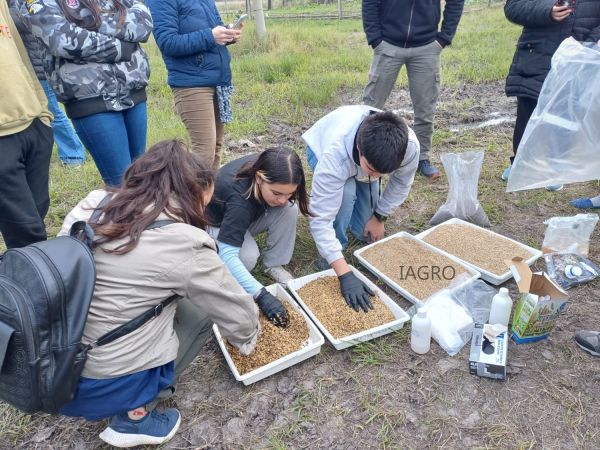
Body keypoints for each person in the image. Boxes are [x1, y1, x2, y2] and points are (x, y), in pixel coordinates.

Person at [57, 140, 260, 448]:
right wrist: (248, 339)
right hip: (98, 385)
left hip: (55, 363)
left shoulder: (94, 202)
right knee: (201, 311)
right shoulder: (184, 241)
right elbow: (236, 311)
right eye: (204, 202)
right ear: (194, 195)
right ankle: (135, 415)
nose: (204, 210)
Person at [19, 0, 153, 186]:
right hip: (90, 101)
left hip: (134, 92)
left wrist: (86, 23)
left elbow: (143, 20)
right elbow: (60, 39)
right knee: (121, 186)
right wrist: (121, 45)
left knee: (142, 177)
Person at [303, 106, 419, 313]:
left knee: (364, 232)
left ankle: (362, 184)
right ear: (359, 147)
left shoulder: (409, 146)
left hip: (361, 160)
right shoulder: (334, 158)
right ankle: (332, 250)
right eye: (373, 170)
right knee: (345, 195)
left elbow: (401, 184)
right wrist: (344, 273)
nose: (376, 177)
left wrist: (379, 216)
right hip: (321, 146)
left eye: (384, 173)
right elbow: (320, 218)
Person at [206, 147, 312, 325]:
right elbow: (228, 253)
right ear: (258, 177)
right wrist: (260, 294)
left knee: (289, 209)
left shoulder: (275, 166)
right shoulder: (239, 200)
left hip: (246, 216)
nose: (282, 200)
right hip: (215, 223)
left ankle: (273, 264)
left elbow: (283, 200)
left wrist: (281, 196)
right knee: (246, 257)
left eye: (289, 193)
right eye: (276, 193)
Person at [503, 0, 600, 193]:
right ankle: (521, 163)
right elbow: (513, 6)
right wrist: (547, 11)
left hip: (580, 54)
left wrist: (591, 41)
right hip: (537, 51)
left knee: (568, 111)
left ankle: (553, 168)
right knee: (528, 107)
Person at [361, 0, 464, 179]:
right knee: (372, 106)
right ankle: (363, 154)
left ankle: (421, 158)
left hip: (427, 47)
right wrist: (375, 39)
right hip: (388, 44)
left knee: (425, 107)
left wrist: (443, 38)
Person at [147, 0, 242, 170]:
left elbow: (213, 30)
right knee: (203, 153)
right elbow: (167, 42)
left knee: (216, 148)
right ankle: (190, 195)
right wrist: (210, 36)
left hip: (219, 81)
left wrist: (227, 34)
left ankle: (210, 194)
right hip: (192, 84)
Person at [0, 0, 54, 250]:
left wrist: (42, 114)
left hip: (32, 123)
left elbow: (22, 58)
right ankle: (32, 284)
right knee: (26, 231)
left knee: (38, 212)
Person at [8, 0, 86, 168]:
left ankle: (74, 155)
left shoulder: (26, 3)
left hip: (38, 67)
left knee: (52, 112)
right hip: (22, 69)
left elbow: (22, 21)